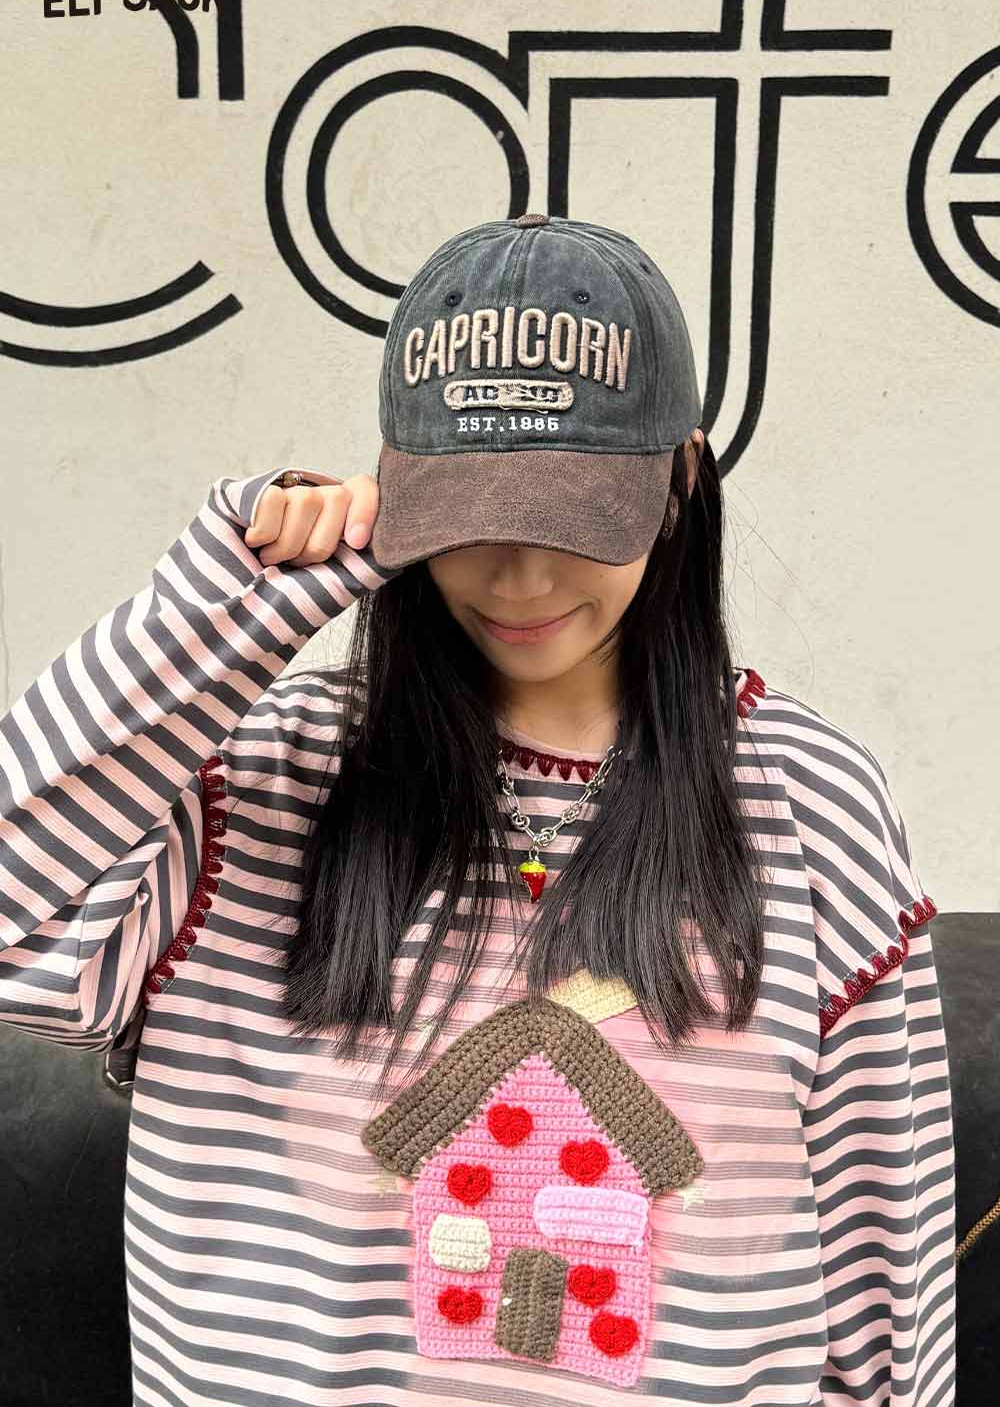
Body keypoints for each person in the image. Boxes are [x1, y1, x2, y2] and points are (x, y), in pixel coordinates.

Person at [0, 214, 956, 1404]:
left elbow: (883, 1282)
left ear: (679, 482)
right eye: (471, 516)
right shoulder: (257, 779)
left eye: (571, 517)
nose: (520, 576)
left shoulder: (810, 804)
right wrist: (234, 594)